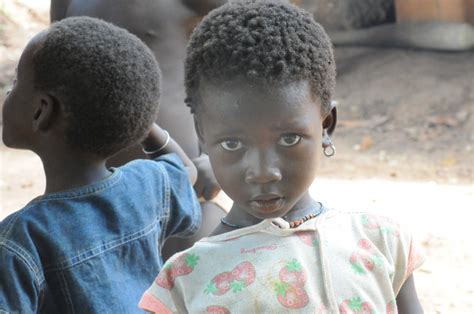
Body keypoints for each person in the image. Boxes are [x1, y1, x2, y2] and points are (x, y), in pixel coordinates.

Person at [139, 1, 425, 313]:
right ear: (203, 135)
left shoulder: (380, 241)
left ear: (326, 125)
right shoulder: (185, 280)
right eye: (233, 144)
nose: (263, 172)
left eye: (289, 139)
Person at [0, 17, 200, 312]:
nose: (8, 92)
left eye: (16, 83)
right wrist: (143, 124)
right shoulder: (145, 185)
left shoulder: (21, 239)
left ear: (41, 111)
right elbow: (185, 173)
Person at [49, 0, 230, 259]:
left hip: (177, 193)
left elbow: (252, 58)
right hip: (87, 201)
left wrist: (221, 155)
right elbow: (50, 72)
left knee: (187, 286)